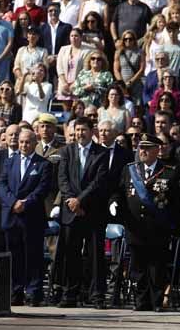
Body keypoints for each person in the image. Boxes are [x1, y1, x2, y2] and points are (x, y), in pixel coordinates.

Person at [114, 132, 180, 311]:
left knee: (157, 267)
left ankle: (157, 301)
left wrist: (176, 227)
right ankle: (141, 301)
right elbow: (119, 193)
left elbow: (178, 202)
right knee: (138, 267)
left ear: (157, 150)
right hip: (135, 227)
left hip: (158, 228)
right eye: (140, 148)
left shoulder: (169, 172)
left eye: (147, 148)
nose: (142, 151)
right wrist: (114, 204)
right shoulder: (129, 170)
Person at [56, 116, 109, 308]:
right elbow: (62, 179)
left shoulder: (102, 153)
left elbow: (99, 181)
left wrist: (80, 201)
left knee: (95, 257)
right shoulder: (66, 151)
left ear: (91, 131)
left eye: (83, 130)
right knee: (71, 255)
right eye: (77, 130)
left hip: (92, 211)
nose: (80, 133)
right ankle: (70, 295)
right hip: (71, 211)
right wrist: (71, 200)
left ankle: (97, 296)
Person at [0, 125, 52, 306]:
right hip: (12, 216)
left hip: (32, 217)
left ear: (35, 143)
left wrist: (25, 203)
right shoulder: (9, 162)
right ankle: (16, 291)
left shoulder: (43, 164)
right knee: (14, 257)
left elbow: (42, 189)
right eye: (21, 142)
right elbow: (2, 185)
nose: (23, 145)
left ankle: (33, 292)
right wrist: (13, 202)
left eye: (27, 142)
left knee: (33, 257)